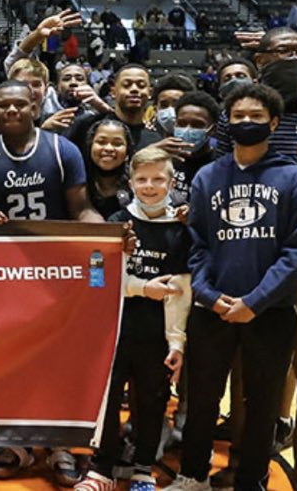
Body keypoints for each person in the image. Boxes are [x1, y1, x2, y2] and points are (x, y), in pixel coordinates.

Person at [166, 82, 297, 491]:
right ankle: (192, 474)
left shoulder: (294, 178)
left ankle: (252, 480)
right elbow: (196, 247)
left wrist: (256, 301)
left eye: (255, 117)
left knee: (261, 404)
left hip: (271, 312)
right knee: (200, 399)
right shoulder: (207, 178)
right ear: (225, 124)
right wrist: (211, 297)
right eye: (238, 117)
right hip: (211, 310)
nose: (246, 122)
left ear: (273, 121)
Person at [0, 80, 103, 485]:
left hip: (56, 272)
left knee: (58, 360)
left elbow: (82, 209)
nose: (11, 112)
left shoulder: (63, 151)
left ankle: (59, 443)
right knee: (12, 359)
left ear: (35, 106)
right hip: (5, 275)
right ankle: (17, 443)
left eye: (19, 105)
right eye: (3, 106)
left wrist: (107, 235)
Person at [77, 146, 191, 491]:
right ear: (131, 182)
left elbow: (182, 290)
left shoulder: (182, 229)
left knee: (152, 403)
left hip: (156, 336)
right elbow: (96, 279)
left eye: (158, 179)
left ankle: (143, 468)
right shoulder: (115, 222)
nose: (150, 186)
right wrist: (142, 288)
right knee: (107, 402)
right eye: (142, 179)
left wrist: (177, 343)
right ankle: (101, 469)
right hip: (112, 333)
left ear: (172, 183)